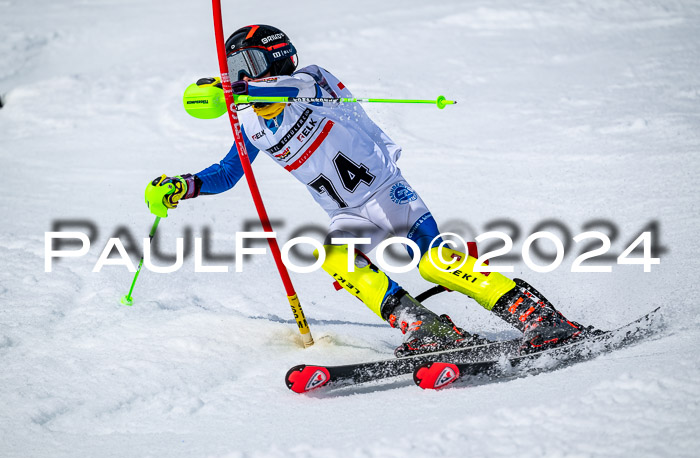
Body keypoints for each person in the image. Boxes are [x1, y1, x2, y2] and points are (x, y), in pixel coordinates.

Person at [145, 24, 594, 356]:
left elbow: (281, 89)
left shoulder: (311, 83)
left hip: (387, 195)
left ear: (278, 58)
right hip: (348, 214)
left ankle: (538, 317)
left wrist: (237, 86)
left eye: (250, 65)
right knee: (335, 257)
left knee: (437, 264)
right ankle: (424, 327)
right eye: (234, 67)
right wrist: (184, 186)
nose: (242, 76)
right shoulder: (247, 121)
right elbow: (228, 172)